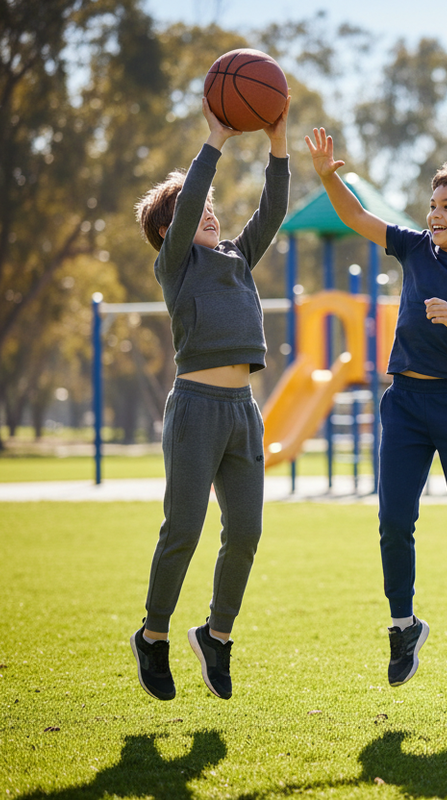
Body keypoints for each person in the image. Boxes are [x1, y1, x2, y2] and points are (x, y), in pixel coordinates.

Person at [305, 128, 447, 687]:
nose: (435, 214)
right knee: (394, 520)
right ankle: (403, 626)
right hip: (404, 403)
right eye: (432, 204)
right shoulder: (413, 247)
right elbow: (357, 218)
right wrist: (330, 176)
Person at [130, 95, 291, 701]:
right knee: (184, 530)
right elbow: (193, 196)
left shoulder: (237, 260)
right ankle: (153, 635)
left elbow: (271, 212)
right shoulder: (176, 266)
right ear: (170, 232)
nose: (211, 217)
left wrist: (277, 142)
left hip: (242, 413)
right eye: (196, 213)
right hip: (195, 408)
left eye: (212, 212)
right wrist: (216, 141)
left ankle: (216, 637)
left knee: (245, 533)